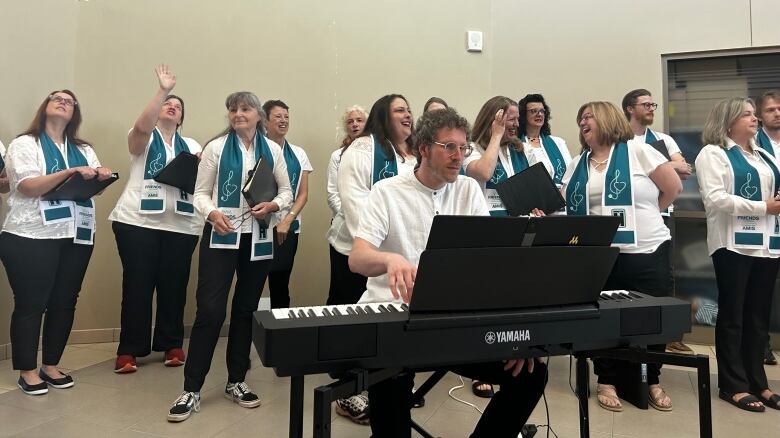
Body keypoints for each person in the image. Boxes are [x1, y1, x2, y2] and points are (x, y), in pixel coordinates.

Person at [350, 108, 546, 437]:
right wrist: (389, 260)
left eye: (463, 148)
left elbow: (490, 264)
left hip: (454, 322)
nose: (459, 156)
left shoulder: (468, 190)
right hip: (397, 319)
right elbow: (357, 258)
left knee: (530, 373)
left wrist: (517, 333)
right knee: (389, 395)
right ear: (424, 148)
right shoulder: (387, 191)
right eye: (449, 147)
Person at [167, 92, 292, 422]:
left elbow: (287, 192)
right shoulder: (216, 148)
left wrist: (274, 206)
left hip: (259, 238)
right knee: (209, 310)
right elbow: (200, 193)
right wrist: (210, 214)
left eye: (245, 108)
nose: (238, 113)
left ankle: (236, 381)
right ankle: (191, 388)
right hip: (221, 236)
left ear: (258, 116)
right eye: (233, 109)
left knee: (246, 309)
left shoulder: (274, 150)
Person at [562, 101, 682, 412]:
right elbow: (565, 205)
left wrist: (644, 218)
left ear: (607, 118)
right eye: (580, 119)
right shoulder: (578, 164)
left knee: (653, 319)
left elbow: (672, 188)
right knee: (604, 320)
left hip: (648, 250)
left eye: (588, 116)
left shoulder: (640, 151)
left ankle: (652, 379)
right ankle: (607, 379)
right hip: (602, 256)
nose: (582, 123)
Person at [0, 90, 114, 395]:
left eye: (70, 99)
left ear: (75, 112)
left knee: (65, 301)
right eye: (56, 97)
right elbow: (27, 186)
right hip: (30, 235)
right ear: (45, 107)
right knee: (31, 303)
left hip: (76, 233)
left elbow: (92, 188)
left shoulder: (84, 148)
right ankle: (27, 370)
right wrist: (72, 171)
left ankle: (50, 365)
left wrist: (100, 178)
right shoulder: (24, 144)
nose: (63, 100)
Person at [109, 65, 202, 374]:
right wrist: (162, 90)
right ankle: (129, 350)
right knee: (137, 284)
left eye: (177, 107)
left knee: (175, 285)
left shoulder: (193, 147)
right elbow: (140, 130)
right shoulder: (143, 139)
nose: (172, 107)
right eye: (167, 104)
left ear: (181, 118)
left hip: (180, 224)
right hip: (137, 221)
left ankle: (172, 343)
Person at [328, 95, 415, 424]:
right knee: (350, 319)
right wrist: (390, 239)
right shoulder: (363, 151)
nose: (408, 115)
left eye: (409, 109)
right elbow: (355, 204)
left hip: (399, 256)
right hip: (356, 249)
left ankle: (390, 389)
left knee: (391, 330)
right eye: (399, 110)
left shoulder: (414, 153)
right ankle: (346, 390)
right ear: (383, 117)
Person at [695, 97, 780, 412]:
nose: (754, 118)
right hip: (732, 245)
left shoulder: (761, 155)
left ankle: (758, 383)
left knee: (758, 318)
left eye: (754, 113)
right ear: (728, 121)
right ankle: (732, 384)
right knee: (733, 316)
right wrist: (764, 207)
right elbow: (715, 199)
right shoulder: (713, 154)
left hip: (767, 245)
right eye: (746, 114)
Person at [622, 89, 694, 355]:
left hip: (658, 211)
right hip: (628, 216)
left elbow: (684, 168)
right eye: (646, 104)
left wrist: (656, 166)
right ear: (630, 109)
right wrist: (662, 167)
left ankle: (670, 336)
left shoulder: (662, 139)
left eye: (653, 103)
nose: (652, 108)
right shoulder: (622, 139)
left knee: (665, 277)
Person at [325, 105, 370, 425]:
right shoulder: (337, 157)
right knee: (340, 300)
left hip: (374, 243)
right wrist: (359, 217)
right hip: (343, 240)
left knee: (365, 303)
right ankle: (337, 366)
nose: (355, 124)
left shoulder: (380, 153)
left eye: (360, 120)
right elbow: (333, 196)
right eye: (350, 121)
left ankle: (364, 367)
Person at [262, 100, 313, 309]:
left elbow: (303, 194)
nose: (283, 121)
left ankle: (280, 334)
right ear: (265, 121)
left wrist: (287, 220)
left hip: (286, 226)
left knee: (280, 283)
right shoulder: (255, 149)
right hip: (257, 224)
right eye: (278, 116)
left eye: (286, 117)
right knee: (251, 282)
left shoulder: (298, 154)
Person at [464, 96, 526, 217]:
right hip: (486, 223)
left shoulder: (518, 150)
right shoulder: (471, 149)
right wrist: (496, 134)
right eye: (511, 119)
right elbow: (485, 173)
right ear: (492, 121)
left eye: (518, 119)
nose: (517, 124)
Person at [754, 90, 780, 366]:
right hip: (763, 225)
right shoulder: (752, 145)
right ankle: (761, 345)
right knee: (762, 292)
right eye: (771, 109)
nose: (778, 113)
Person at [517, 93, 571, 188]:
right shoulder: (516, 145)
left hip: (560, 197)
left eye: (542, 111)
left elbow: (570, 173)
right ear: (523, 115)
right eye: (534, 111)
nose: (539, 114)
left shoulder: (558, 143)